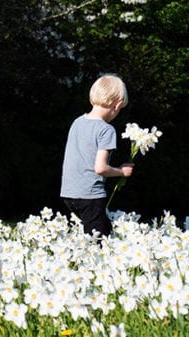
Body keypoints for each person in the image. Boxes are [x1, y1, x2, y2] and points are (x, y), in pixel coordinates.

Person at [60, 74, 133, 237]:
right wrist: (121, 172)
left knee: (99, 231)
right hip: (90, 195)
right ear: (117, 104)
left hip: (69, 193)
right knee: (98, 242)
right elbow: (100, 168)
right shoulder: (106, 129)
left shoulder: (77, 122)